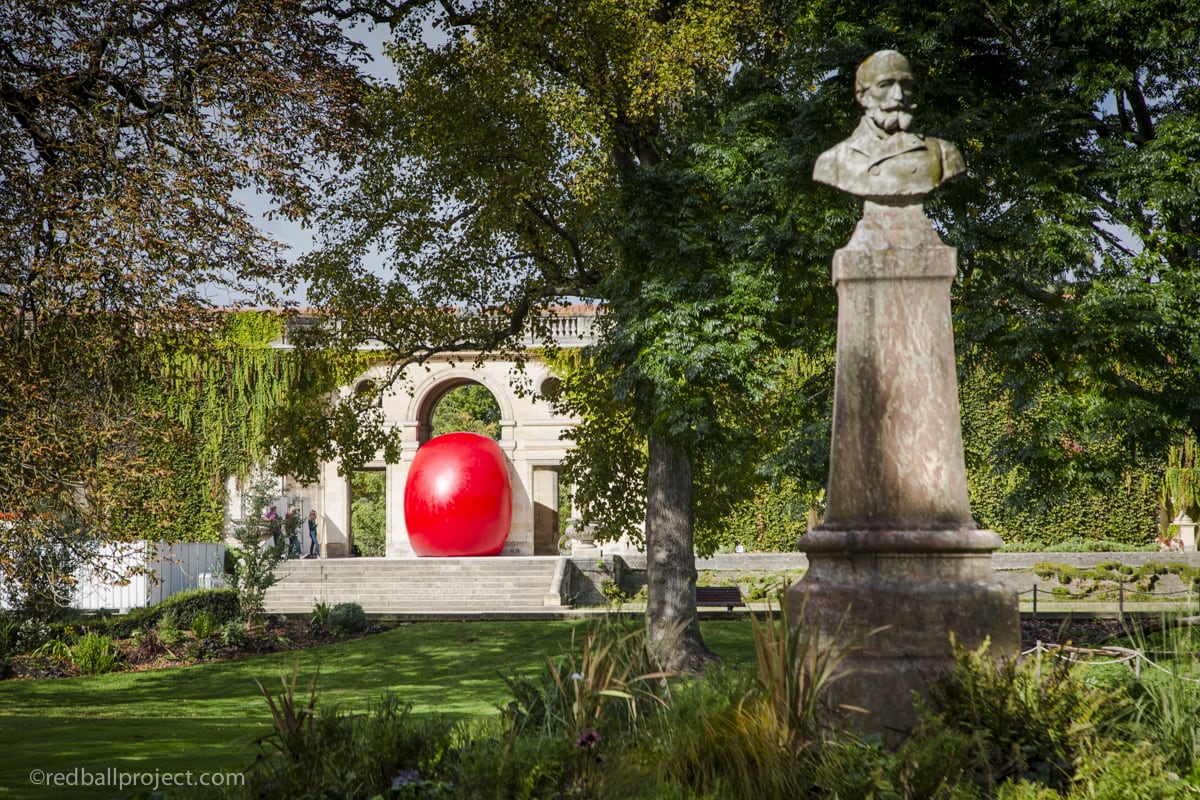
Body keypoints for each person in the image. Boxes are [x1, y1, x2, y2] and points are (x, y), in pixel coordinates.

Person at [812, 50, 965, 199]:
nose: (898, 95)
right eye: (885, 85)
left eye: (905, 85)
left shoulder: (943, 154)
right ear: (863, 96)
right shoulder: (834, 161)